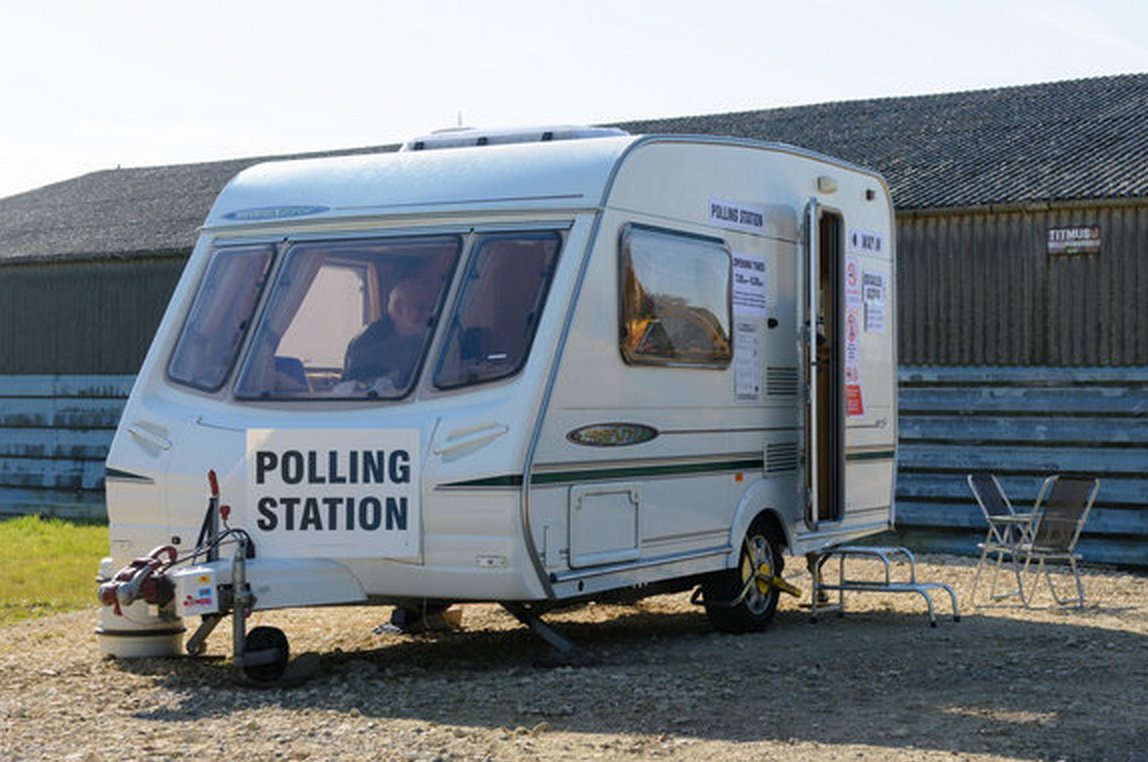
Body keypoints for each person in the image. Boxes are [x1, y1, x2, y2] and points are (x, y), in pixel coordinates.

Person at [342, 278, 435, 392]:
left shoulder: (428, 337)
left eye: (430, 309)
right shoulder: (366, 343)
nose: (428, 315)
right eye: (420, 309)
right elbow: (358, 390)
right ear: (398, 308)